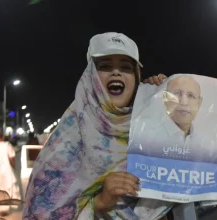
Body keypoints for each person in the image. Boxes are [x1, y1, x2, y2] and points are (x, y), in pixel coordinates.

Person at [23, 32, 172, 220]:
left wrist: (165, 97)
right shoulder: (67, 140)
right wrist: (101, 202)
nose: (116, 72)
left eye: (126, 67)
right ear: (91, 76)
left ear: (136, 78)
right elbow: (41, 214)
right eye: (105, 66)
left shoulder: (149, 125)